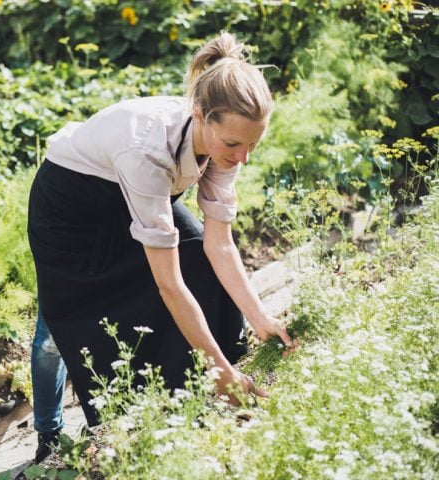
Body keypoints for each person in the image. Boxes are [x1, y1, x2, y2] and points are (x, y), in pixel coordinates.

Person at [26, 31, 297, 457]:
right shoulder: (148, 151)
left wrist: (259, 316)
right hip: (71, 209)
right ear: (201, 114)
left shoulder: (227, 145)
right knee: (57, 330)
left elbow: (220, 245)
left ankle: (181, 398)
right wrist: (218, 370)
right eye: (233, 144)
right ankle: (48, 435)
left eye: (253, 145)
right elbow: (169, 285)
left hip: (132, 195)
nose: (243, 157)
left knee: (198, 262)